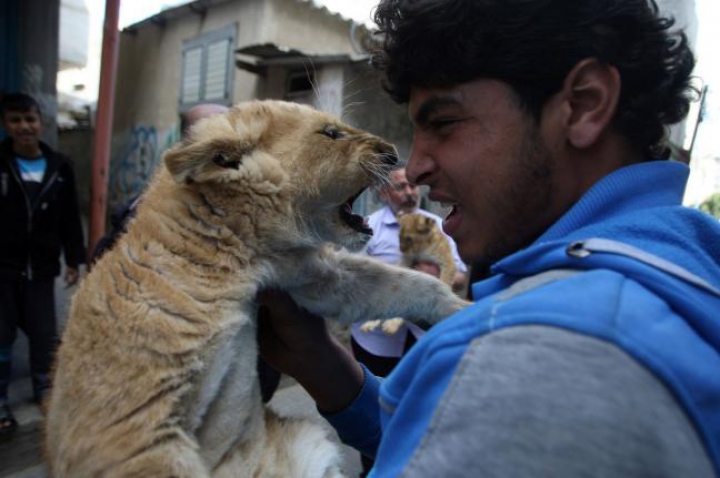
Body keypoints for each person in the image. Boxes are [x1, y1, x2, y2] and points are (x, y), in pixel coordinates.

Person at [257, 0, 720, 476]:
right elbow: (447, 435)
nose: (414, 168)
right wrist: (324, 367)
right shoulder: (686, 265)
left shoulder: (536, 354)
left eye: (444, 123)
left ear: (583, 104)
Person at [0, 93, 86, 433]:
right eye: (15, 120)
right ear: (6, 124)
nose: (24, 127)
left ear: (41, 122)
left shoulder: (60, 167)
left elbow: (69, 219)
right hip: (3, 269)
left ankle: (45, 393)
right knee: (1, 336)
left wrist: (74, 259)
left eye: (30, 119)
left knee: (43, 336)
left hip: (42, 269)